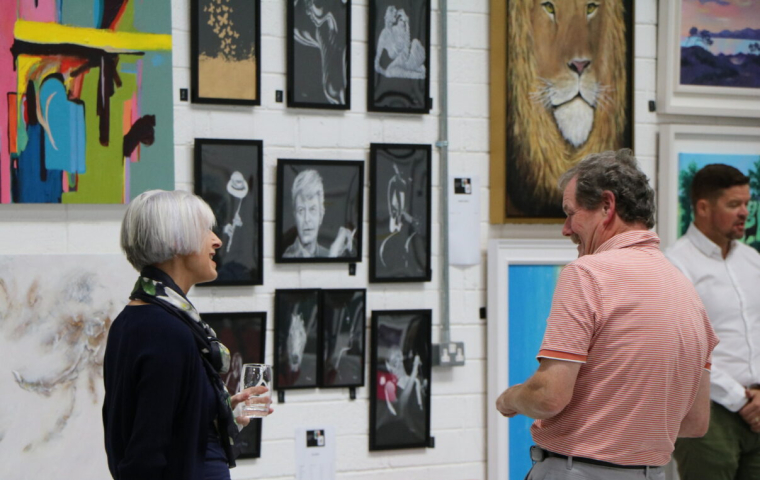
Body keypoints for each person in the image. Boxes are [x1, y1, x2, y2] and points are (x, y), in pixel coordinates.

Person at [495, 149, 719, 480]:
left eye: (571, 213)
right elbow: (695, 421)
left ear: (606, 206)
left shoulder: (587, 274)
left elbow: (549, 396)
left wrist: (510, 398)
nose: (566, 229)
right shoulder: (688, 294)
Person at [103, 189, 272, 480]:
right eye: (206, 230)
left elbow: (162, 425)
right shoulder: (165, 330)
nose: (217, 241)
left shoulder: (140, 321)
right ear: (176, 241)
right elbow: (146, 453)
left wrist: (217, 411)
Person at [666, 164, 760, 480]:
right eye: (734, 204)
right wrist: (739, 399)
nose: (744, 212)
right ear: (703, 207)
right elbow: (683, 348)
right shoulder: (676, 264)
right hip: (708, 410)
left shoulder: (753, 260)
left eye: (747, 203)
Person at [282, 169, 355, 258]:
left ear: (321, 215)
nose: (306, 219)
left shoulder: (328, 254)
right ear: (295, 216)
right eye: (301, 210)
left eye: (312, 210)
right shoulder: (287, 257)